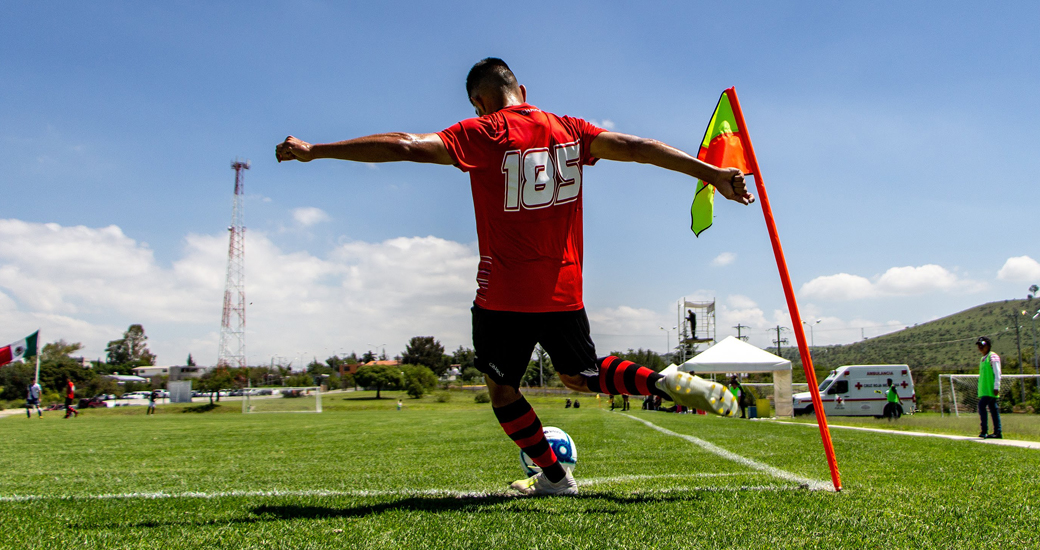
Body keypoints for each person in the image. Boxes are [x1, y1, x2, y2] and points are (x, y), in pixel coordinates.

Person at [276, 58, 751, 496]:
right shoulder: (570, 129)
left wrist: (315, 150)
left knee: (503, 390)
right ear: (520, 88)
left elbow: (404, 145)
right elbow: (638, 148)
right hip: (563, 289)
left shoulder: (481, 132)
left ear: (479, 102)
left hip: (503, 293)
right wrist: (712, 174)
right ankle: (662, 383)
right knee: (580, 376)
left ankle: (555, 477)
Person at [975, 336, 1001, 439]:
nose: (981, 347)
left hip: (990, 389)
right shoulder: (983, 359)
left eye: (983, 345)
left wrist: (996, 386)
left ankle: (984, 430)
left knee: (982, 406)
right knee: (993, 409)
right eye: (979, 346)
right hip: (985, 389)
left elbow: (997, 372)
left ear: (988, 346)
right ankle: (997, 432)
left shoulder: (993, 357)